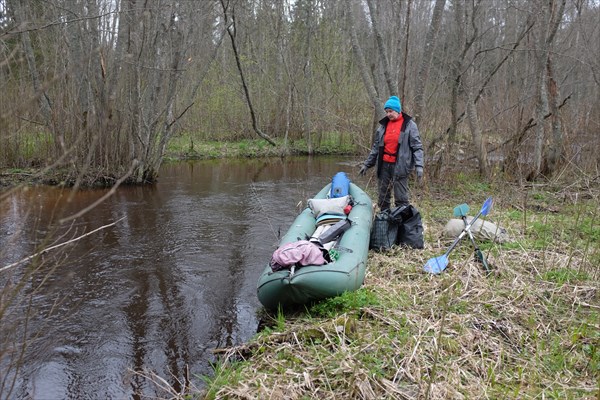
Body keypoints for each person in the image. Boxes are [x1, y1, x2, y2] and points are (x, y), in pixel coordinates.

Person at [359, 95, 424, 211]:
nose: (388, 114)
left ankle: (401, 223)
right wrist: (367, 164)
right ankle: (385, 220)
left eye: (391, 111)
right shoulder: (383, 126)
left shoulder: (409, 125)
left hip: (400, 167)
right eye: (386, 111)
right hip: (384, 165)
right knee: (383, 198)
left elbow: (417, 147)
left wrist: (419, 166)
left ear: (398, 111)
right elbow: (376, 148)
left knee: (401, 198)